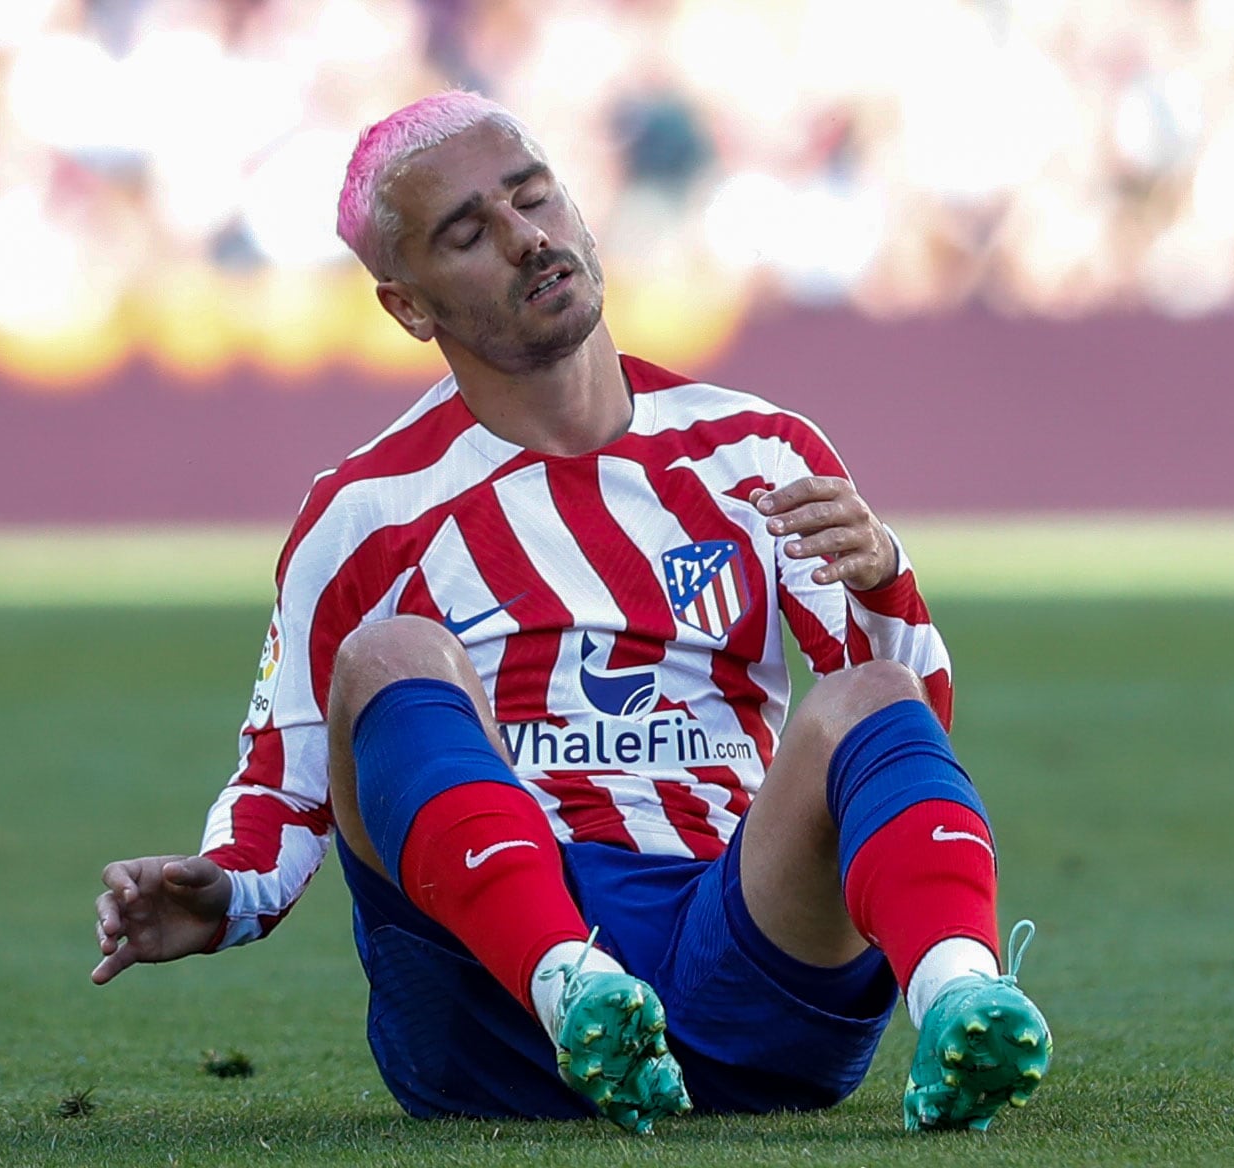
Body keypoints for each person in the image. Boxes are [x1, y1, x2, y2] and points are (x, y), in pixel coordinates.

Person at [91, 91, 1052, 1136]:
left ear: (578, 210)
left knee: (867, 692)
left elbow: (906, 728)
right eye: (468, 232)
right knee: (389, 653)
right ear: (409, 307)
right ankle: (568, 986)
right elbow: (284, 771)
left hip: (737, 945)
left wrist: (880, 579)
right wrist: (228, 892)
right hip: (492, 1015)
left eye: (532, 196)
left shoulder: (757, 451)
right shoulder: (361, 514)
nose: (525, 239)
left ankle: (962, 993)